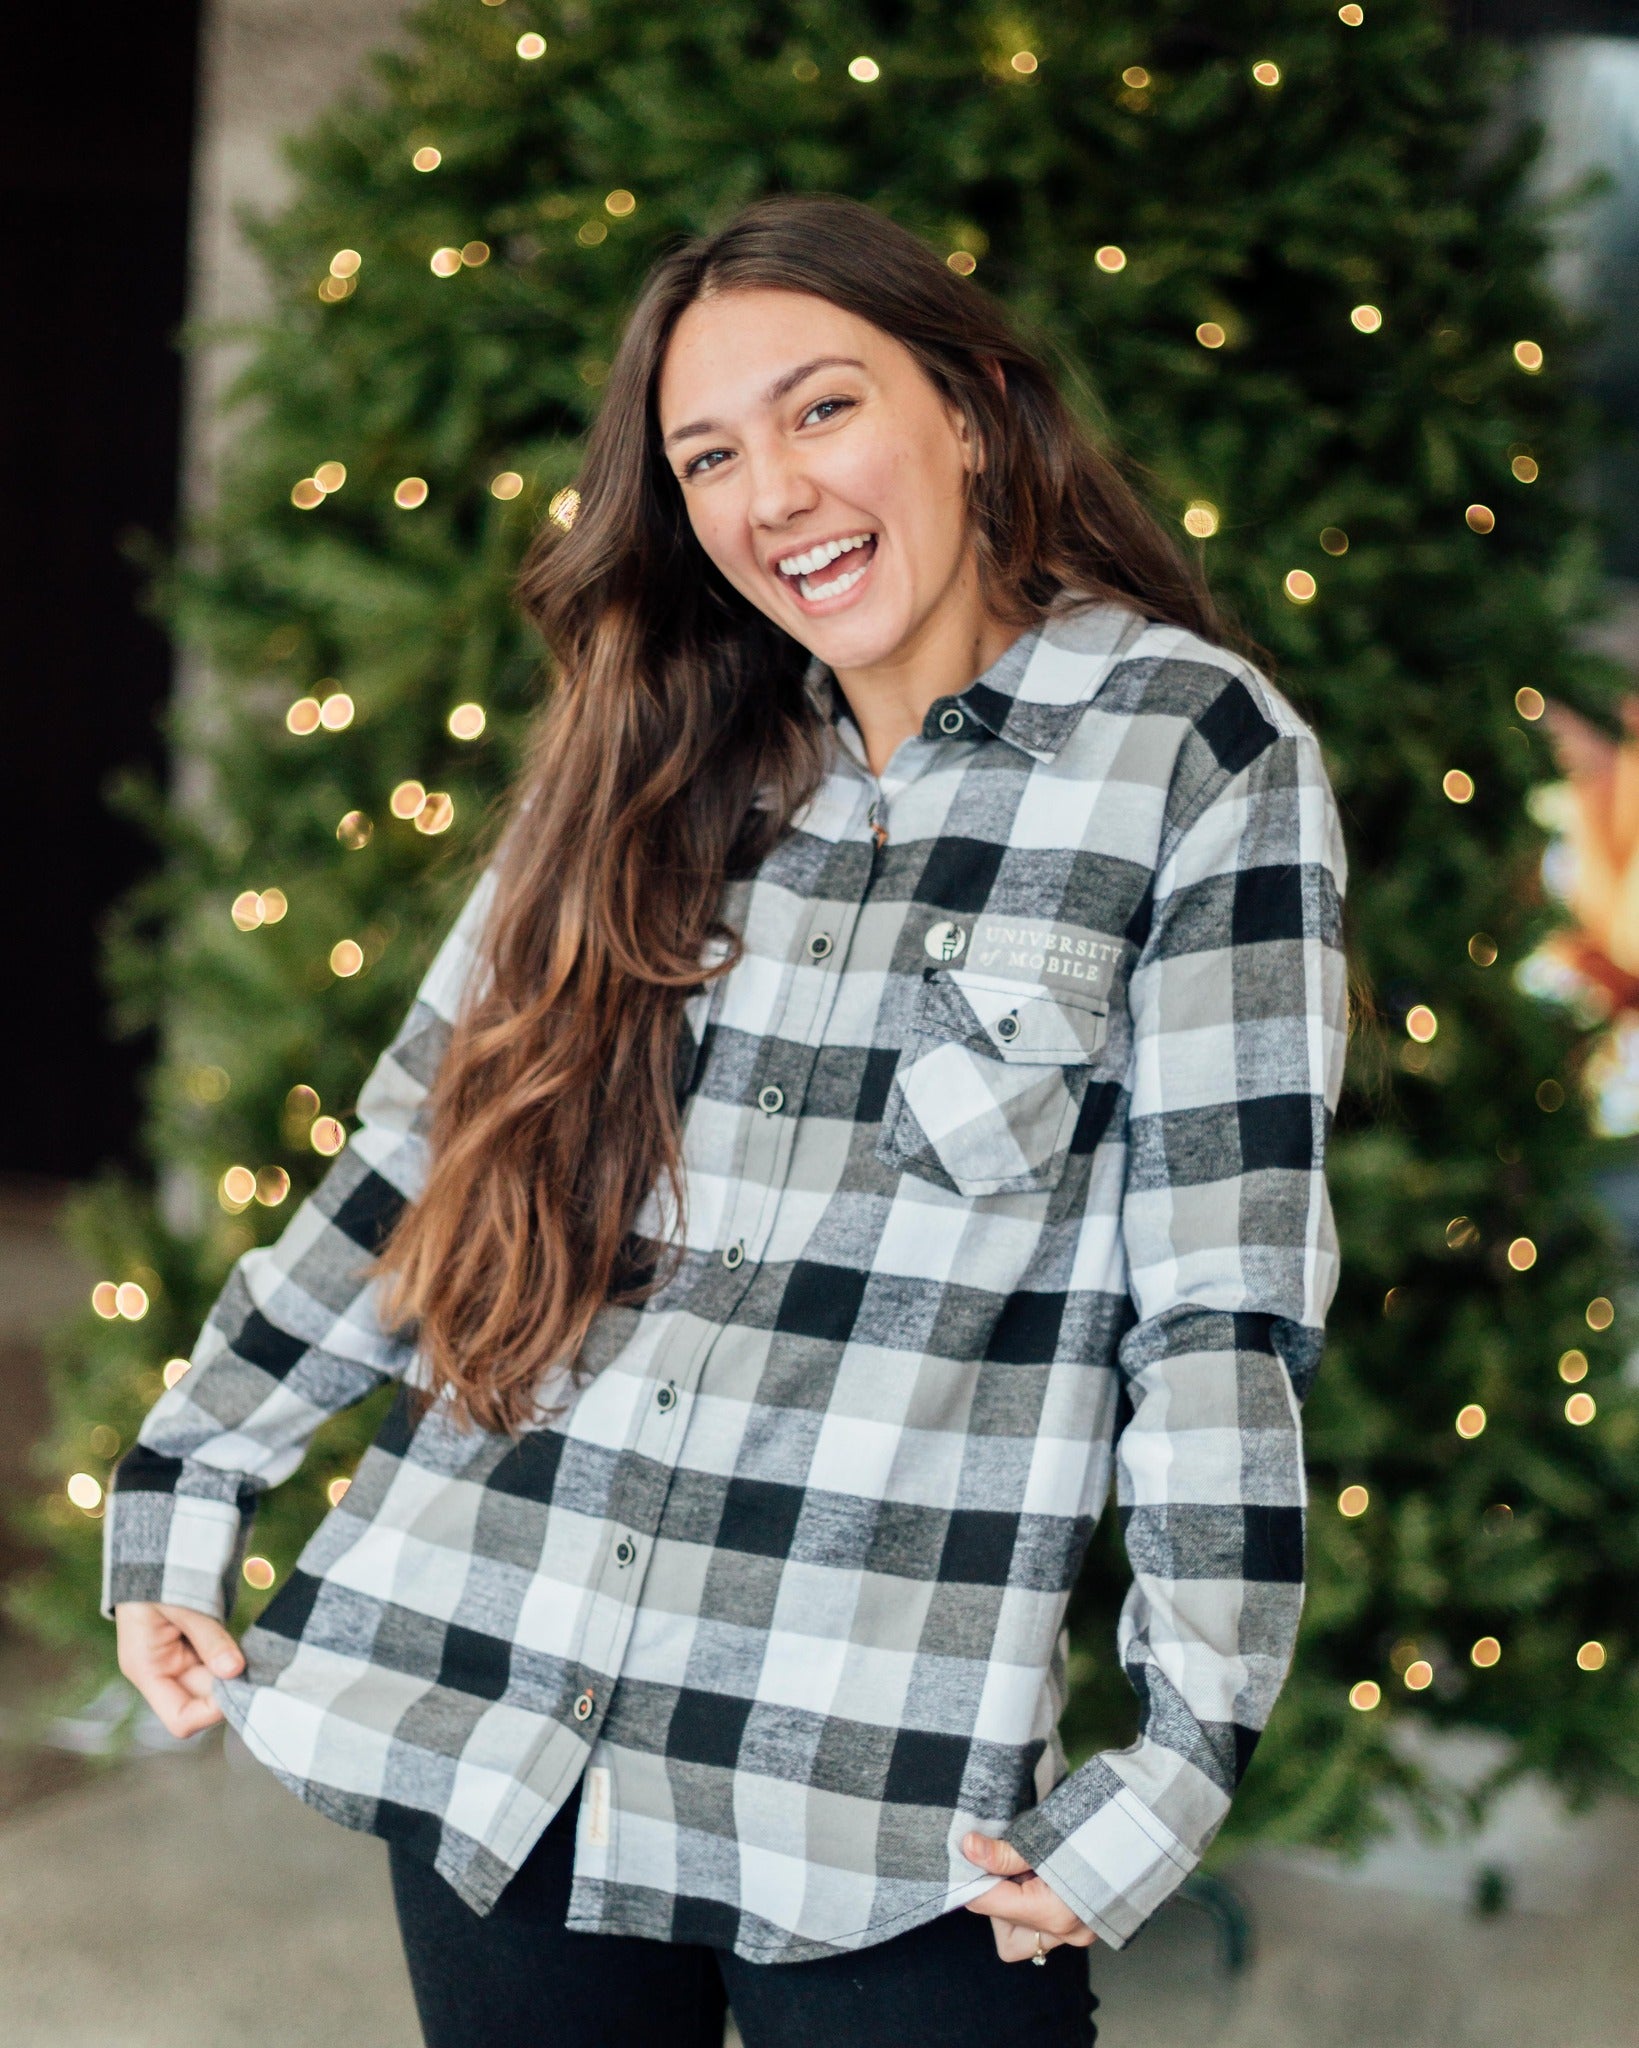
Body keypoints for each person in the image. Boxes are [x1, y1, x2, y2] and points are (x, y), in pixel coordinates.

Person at [105, 193, 1349, 2047]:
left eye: (821, 409)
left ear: (972, 410)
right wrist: (186, 1478)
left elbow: (1217, 1310)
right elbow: (426, 1154)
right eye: (709, 454)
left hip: (886, 1800)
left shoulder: (1191, 755)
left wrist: (1173, 1763)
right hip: (497, 1708)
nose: (774, 491)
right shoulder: (650, 751)